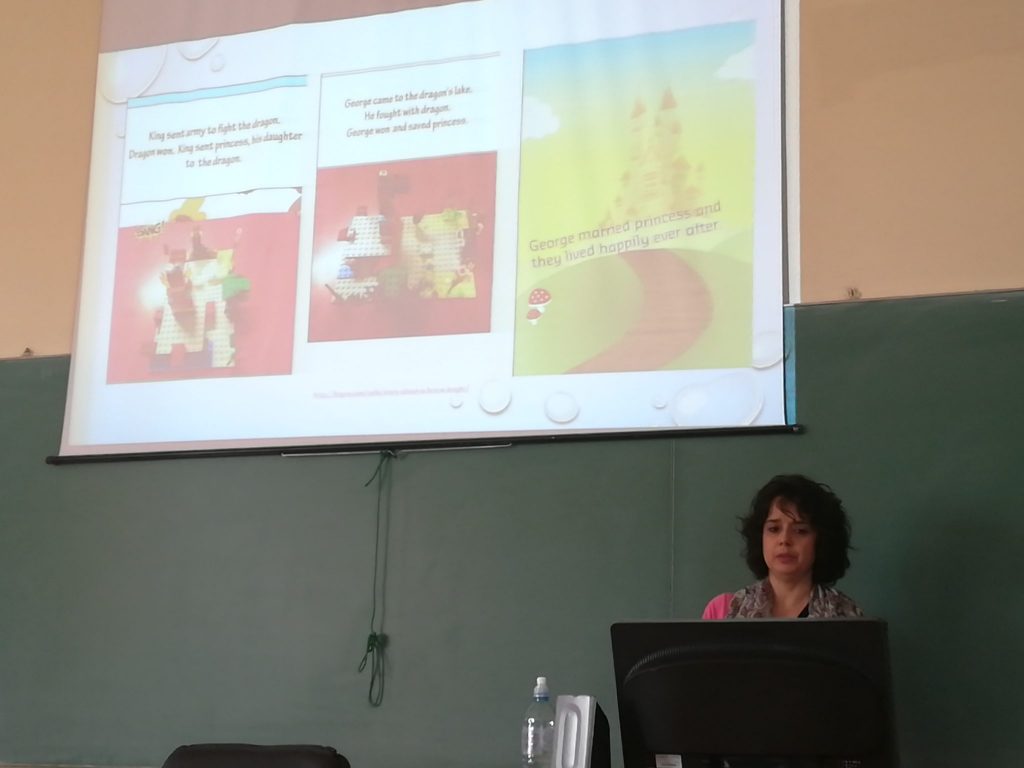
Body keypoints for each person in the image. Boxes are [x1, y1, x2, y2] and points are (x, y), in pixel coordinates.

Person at [703, 474, 863, 619]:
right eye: (774, 529)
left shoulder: (846, 616)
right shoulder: (724, 610)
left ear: (821, 540)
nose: (784, 540)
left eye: (800, 531)